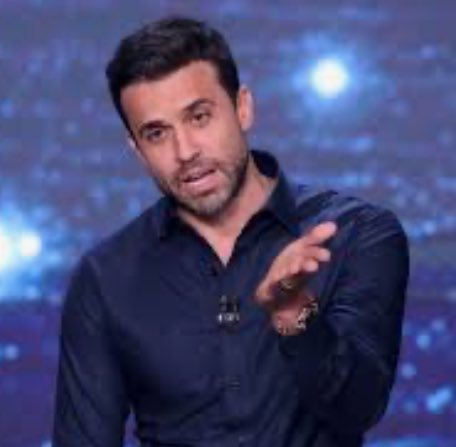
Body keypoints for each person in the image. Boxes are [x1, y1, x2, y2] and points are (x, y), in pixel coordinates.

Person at [52, 16, 409, 447]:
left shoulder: (356, 234)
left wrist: (295, 315)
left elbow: (360, 408)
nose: (185, 151)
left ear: (243, 108)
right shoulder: (105, 278)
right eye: (157, 133)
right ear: (138, 150)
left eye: (199, 117)